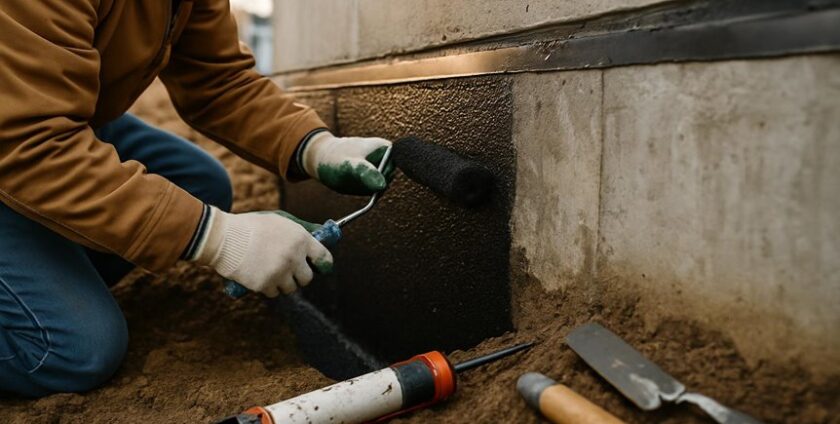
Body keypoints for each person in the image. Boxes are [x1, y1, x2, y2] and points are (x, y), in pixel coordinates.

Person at [0, 0, 391, 397]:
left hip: (37, 112)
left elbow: (218, 80)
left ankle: (36, 270)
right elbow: (31, 142)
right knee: (74, 349)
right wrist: (220, 238)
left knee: (198, 182)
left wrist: (316, 147)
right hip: (22, 133)